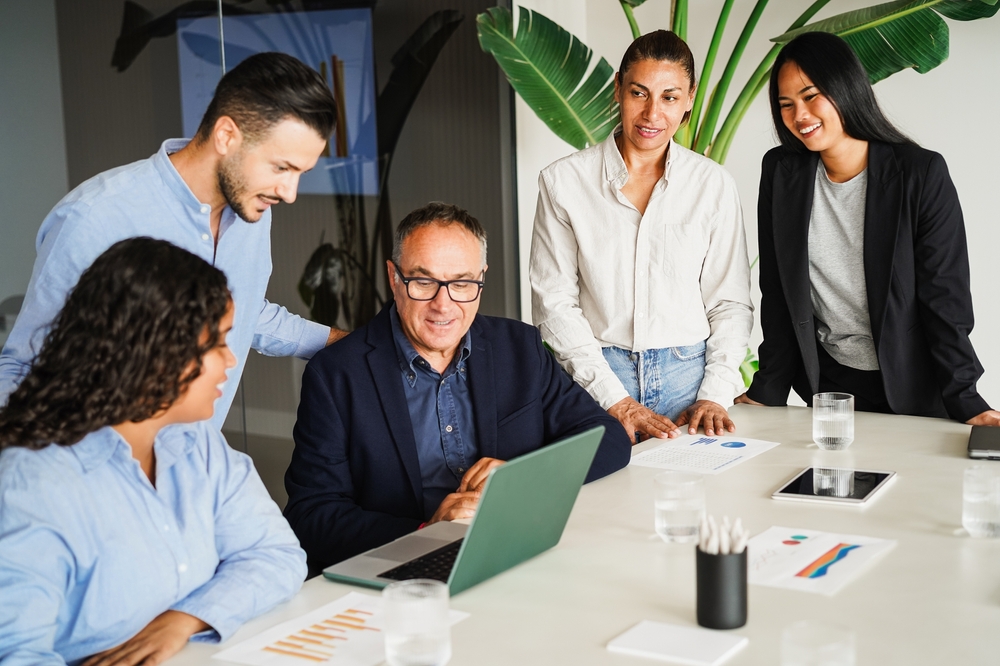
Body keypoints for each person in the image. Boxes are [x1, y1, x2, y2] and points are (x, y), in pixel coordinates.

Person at [0, 52, 347, 429]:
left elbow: (243, 310)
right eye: (281, 167)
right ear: (226, 135)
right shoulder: (95, 216)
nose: (289, 193)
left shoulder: (253, 208)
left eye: (300, 173)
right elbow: (22, 368)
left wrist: (344, 343)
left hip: (197, 455)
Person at [0, 238, 306, 665]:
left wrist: (184, 620)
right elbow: (17, 655)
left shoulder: (199, 444)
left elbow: (277, 555)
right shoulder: (34, 484)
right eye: (217, 343)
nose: (230, 360)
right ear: (157, 350)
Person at [284, 202, 631, 571]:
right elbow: (312, 516)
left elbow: (608, 438)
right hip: (407, 574)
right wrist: (427, 533)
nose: (443, 304)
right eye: (423, 282)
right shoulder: (336, 374)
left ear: (481, 278)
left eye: (462, 283)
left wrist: (519, 480)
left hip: (518, 552)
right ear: (394, 277)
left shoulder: (519, 347)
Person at [736, 32, 999, 426]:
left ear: (846, 89)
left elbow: (945, 299)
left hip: (913, 389)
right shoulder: (781, 171)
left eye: (811, 96)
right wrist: (767, 389)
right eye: (786, 104)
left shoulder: (920, 173)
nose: (799, 115)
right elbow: (778, 292)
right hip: (829, 390)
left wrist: (967, 400)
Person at [530, 30, 754, 444]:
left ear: (690, 98)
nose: (652, 114)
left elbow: (729, 302)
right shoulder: (563, 182)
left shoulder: (713, 184)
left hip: (692, 382)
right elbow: (554, 303)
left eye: (670, 97)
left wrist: (715, 394)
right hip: (598, 377)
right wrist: (613, 398)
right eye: (639, 93)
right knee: (606, 486)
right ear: (618, 88)